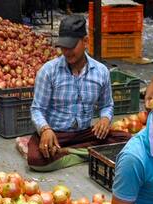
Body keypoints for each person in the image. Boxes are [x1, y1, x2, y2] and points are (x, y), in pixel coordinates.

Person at [28, 15, 130, 171]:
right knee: (35, 159)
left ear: (85, 41)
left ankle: (69, 153)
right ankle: (88, 153)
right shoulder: (48, 71)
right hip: (56, 134)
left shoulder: (101, 72)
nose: (67, 52)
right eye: (63, 47)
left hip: (85, 133)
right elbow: (37, 109)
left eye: (71, 46)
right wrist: (45, 130)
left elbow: (107, 105)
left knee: (126, 140)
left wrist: (104, 118)